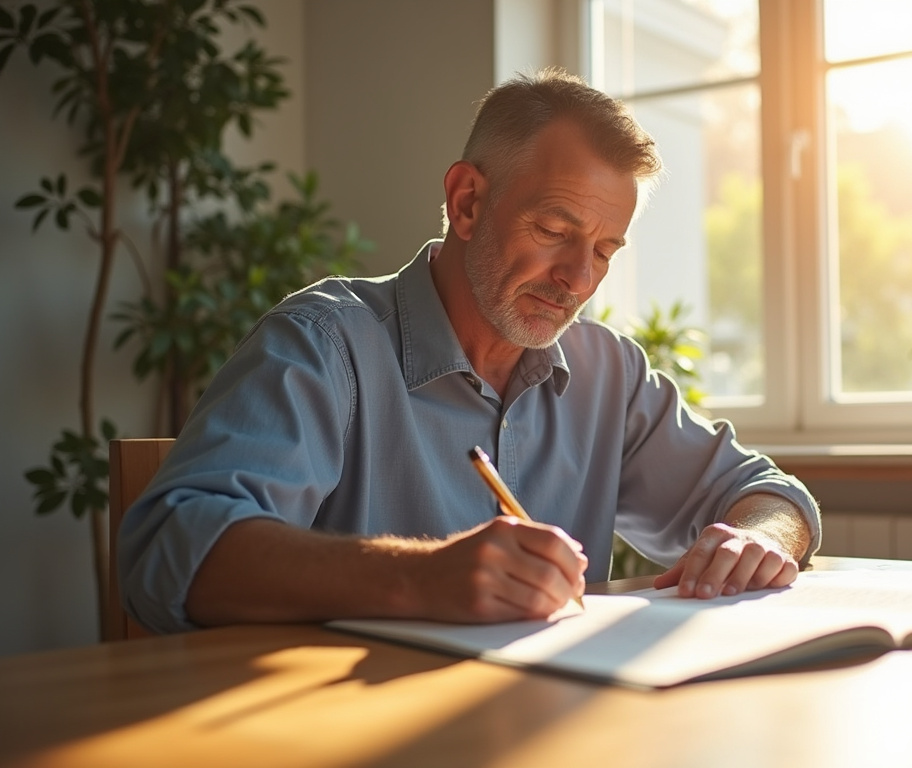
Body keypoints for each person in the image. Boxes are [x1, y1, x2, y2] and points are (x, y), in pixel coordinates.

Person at [119, 68, 821, 634]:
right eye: (554, 229)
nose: (579, 279)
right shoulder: (323, 344)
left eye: (605, 251)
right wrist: (418, 577)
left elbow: (769, 496)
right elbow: (168, 551)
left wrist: (758, 538)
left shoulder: (609, 373)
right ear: (467, 202)